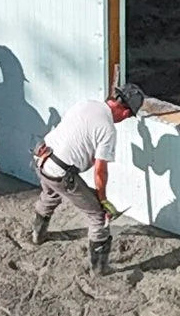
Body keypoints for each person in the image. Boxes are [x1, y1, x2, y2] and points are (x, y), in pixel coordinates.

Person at [30, 81, 145, 275]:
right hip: (60, 172)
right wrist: (102, 200)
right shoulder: (108, 129)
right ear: (126, 113)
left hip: (41, 157)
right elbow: (100, 171)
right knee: (98, 216)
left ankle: (37, 236)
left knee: (50, 194)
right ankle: (99, 269)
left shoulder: (86, 104)